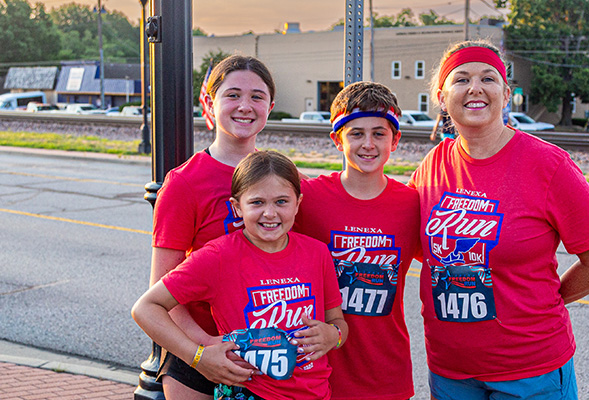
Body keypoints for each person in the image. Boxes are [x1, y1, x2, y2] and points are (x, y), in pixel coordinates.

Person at [408, 40, 589, 399]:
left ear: (506, 94)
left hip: (530, 371)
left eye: (488, 79)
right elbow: (415, 245)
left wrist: (546, 303)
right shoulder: (432, 166)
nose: (475, 88)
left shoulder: (548, 165)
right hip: (451, 371)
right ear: (443, 98)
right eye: (460, 79)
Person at [133, 150, 348, 400]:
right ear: (237, 207)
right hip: (247, 392)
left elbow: (337, 321)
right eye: (257, 202)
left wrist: (335, 335)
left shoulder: (317, 253)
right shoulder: (217, 256)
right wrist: (198, 355)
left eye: (281, 201)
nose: (270, 213)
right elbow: (145, 308)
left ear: (298, 203)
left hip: (315, 393)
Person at [148, 55, 276, 399]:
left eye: (257, 97)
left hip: (264, 355)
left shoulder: (280, 179)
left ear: (271, 106)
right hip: (199, 355)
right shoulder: (184, 183)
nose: (245, 106)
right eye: (232, 95)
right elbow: (162, 290)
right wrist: (205, 350)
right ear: (209, 102)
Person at [293, 81, 420, 400]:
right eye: (356, 133)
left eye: (379, 133)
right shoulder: (308, 197)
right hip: (317, 373)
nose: (368, 144)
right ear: (337, 139)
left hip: (386, 375)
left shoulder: (412, 205)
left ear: (395, 140)